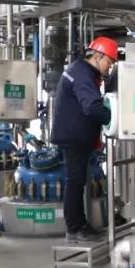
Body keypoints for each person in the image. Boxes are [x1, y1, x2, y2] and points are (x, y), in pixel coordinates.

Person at [51, 37, 116, 243]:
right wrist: (115, 119)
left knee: (77, 181)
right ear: (97, 56)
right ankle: (75, 227)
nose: (109, 68)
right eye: (109, 62)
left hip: (74, 134)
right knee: (75, 181)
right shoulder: (82, 75)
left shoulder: (80, 70)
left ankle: (79, 224)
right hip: (74, 137)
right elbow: (92, 107)